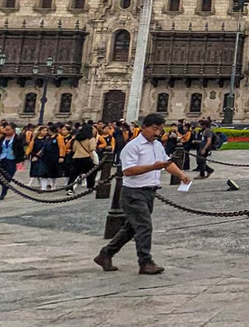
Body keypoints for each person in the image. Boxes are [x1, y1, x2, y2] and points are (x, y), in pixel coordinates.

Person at [96, 113, 190, 275]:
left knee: (132, 228)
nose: (157, 133)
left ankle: (106, 254)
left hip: (149, 192)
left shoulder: (157, 145)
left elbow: (166, 163)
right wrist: (153, 167)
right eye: (154, 129)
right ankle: (145, 262)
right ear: (144, 127)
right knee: (144, 226)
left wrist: (181, 175)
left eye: (160, 130)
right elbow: (128, 171)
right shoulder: (133, 147)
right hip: (133, 192)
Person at [68, 123, 99, 192]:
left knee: (74, 174)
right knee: (90, 173)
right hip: (86, 157)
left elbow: (74, 149)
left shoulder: (77, 138)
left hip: (76, 157)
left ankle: (70, 188)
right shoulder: (91, 138)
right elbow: (92, 148)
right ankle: (90, 187)